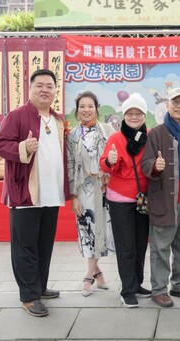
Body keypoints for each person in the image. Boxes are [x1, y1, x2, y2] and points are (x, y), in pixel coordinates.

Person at [0, 69, 68, 317]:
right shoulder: (17, 116)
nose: (45, 90)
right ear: (30, 88)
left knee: (44, 244)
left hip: (51, 194)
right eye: (40, 85)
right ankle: (28, 295)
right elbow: (0, 145)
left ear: (55, 91)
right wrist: (21, 147)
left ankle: (40, 286)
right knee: (25, 246)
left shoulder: (57, 120)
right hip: (24, 193)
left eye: (49, 86)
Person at [141, 87, 180, 307]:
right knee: (161, 247)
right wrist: (155, 166)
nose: (179, 106)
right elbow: (145, 163)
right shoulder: (157, 133)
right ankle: (159, 289)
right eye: (175, 102)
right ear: (168, 105)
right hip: (165, 200)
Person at [99, 93, 152, 308]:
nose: (134, 116)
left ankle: (137, 283)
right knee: (126, 246)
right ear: (124, 115)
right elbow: (104, 163)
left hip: (144, 200)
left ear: (144, 115)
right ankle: (127, 289)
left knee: (140, 245)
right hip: (120, 199)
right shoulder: (116, 138)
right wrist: (110, 161)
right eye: (130, 112)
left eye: (138, 112)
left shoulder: (150, 136)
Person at [67, 91, 116, 298]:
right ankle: (92, 275)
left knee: (102, 232)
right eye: (82, 106)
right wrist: (74, 196)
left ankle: (92, 275)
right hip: (84, 191)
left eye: (90, 106)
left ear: (97, 108)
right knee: (87, 231)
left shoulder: (108, 130)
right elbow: (70, 165)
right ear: (77, 111)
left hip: (106, 189)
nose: (86, 110)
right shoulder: (72, 135)